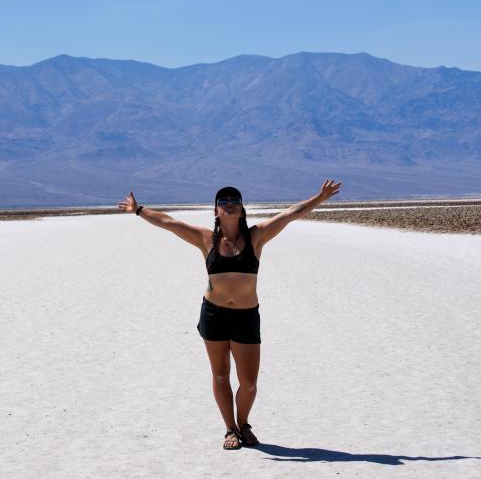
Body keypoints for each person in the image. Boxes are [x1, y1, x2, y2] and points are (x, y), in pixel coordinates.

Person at [117, 180, 342, 450]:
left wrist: (320, 197)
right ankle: (231, 429)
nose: (229, 203)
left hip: (246, 316)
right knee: (221, 374)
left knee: (249, 384)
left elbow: (290, 214)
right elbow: (168, 222)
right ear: (216, 211)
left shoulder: (256, 236)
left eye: (234, 199)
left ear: (242, 208)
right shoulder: (204, 239)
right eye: (222, 201)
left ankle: (244, 422)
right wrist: (138, 209)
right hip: (214, 315)